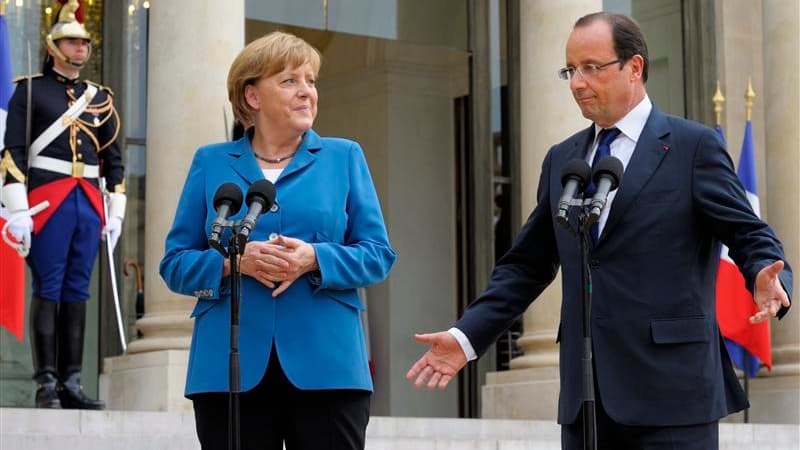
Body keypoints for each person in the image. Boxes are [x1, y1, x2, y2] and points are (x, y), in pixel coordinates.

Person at [406, 12, 792, 450]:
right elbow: (526, 266)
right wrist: (466, 337)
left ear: (634, 67)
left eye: (592, 67)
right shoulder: (562, 159)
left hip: (673, 395)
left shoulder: (691, 147)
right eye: (571, 70)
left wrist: (765, 271)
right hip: (587, 398)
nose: (577, 83)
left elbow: (748, 232)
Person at [159, 31, 396, 450]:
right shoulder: (211, 162)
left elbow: (378, 256)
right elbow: (175, 264)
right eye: (290, 81)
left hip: (328, 365)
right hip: (228, 369)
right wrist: (234, 263)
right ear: (252, 96)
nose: (307, 92)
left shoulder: (344, 157)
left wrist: (314, 258)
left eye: (311, 81)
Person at [1, 0, 124, 410]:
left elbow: (114, 161)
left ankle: (72, 382)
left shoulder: (99, 98)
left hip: (88, 201)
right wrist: (17, 208)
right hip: (46, 200)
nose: (80, 49)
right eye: (72, 42)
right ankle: (46, 384)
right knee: (49, 288)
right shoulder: (31, 89)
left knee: (77, 290)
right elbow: (13, 152)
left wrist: (117, 212)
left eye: (84, 43)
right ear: (53, 47)